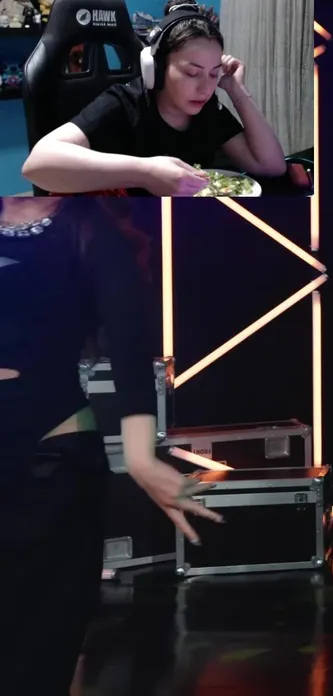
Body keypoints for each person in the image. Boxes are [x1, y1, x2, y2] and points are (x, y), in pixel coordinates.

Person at [0, 196, 222, 694]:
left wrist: (141, 457)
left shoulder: (92, 234)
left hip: (47, 443)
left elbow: (129, 345)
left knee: (34, 646)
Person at [22, 0, 288, 197]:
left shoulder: (209, 110)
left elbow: (271, 166)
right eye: (192, 73)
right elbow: (37, 164)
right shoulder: (124, 102)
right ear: (156, 69)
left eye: (213, 74)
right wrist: (145, 172)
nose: (205, 89)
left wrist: (237, 90)